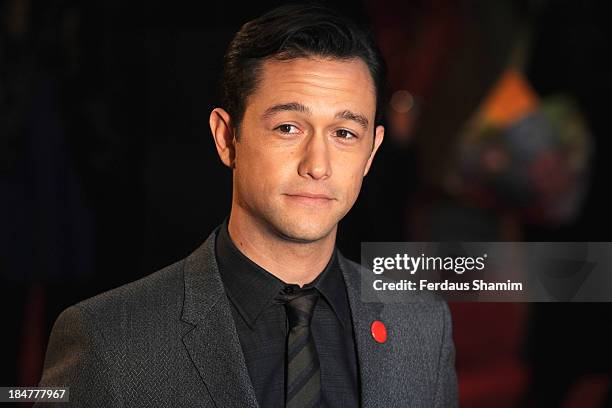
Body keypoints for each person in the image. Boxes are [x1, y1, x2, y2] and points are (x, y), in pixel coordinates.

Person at [37, 4, 457, 407]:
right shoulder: (109, 338)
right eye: (288, 127)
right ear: (226, 137)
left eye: (345, 133)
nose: (318, 165)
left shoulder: (423, 326)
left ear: (371, 151)